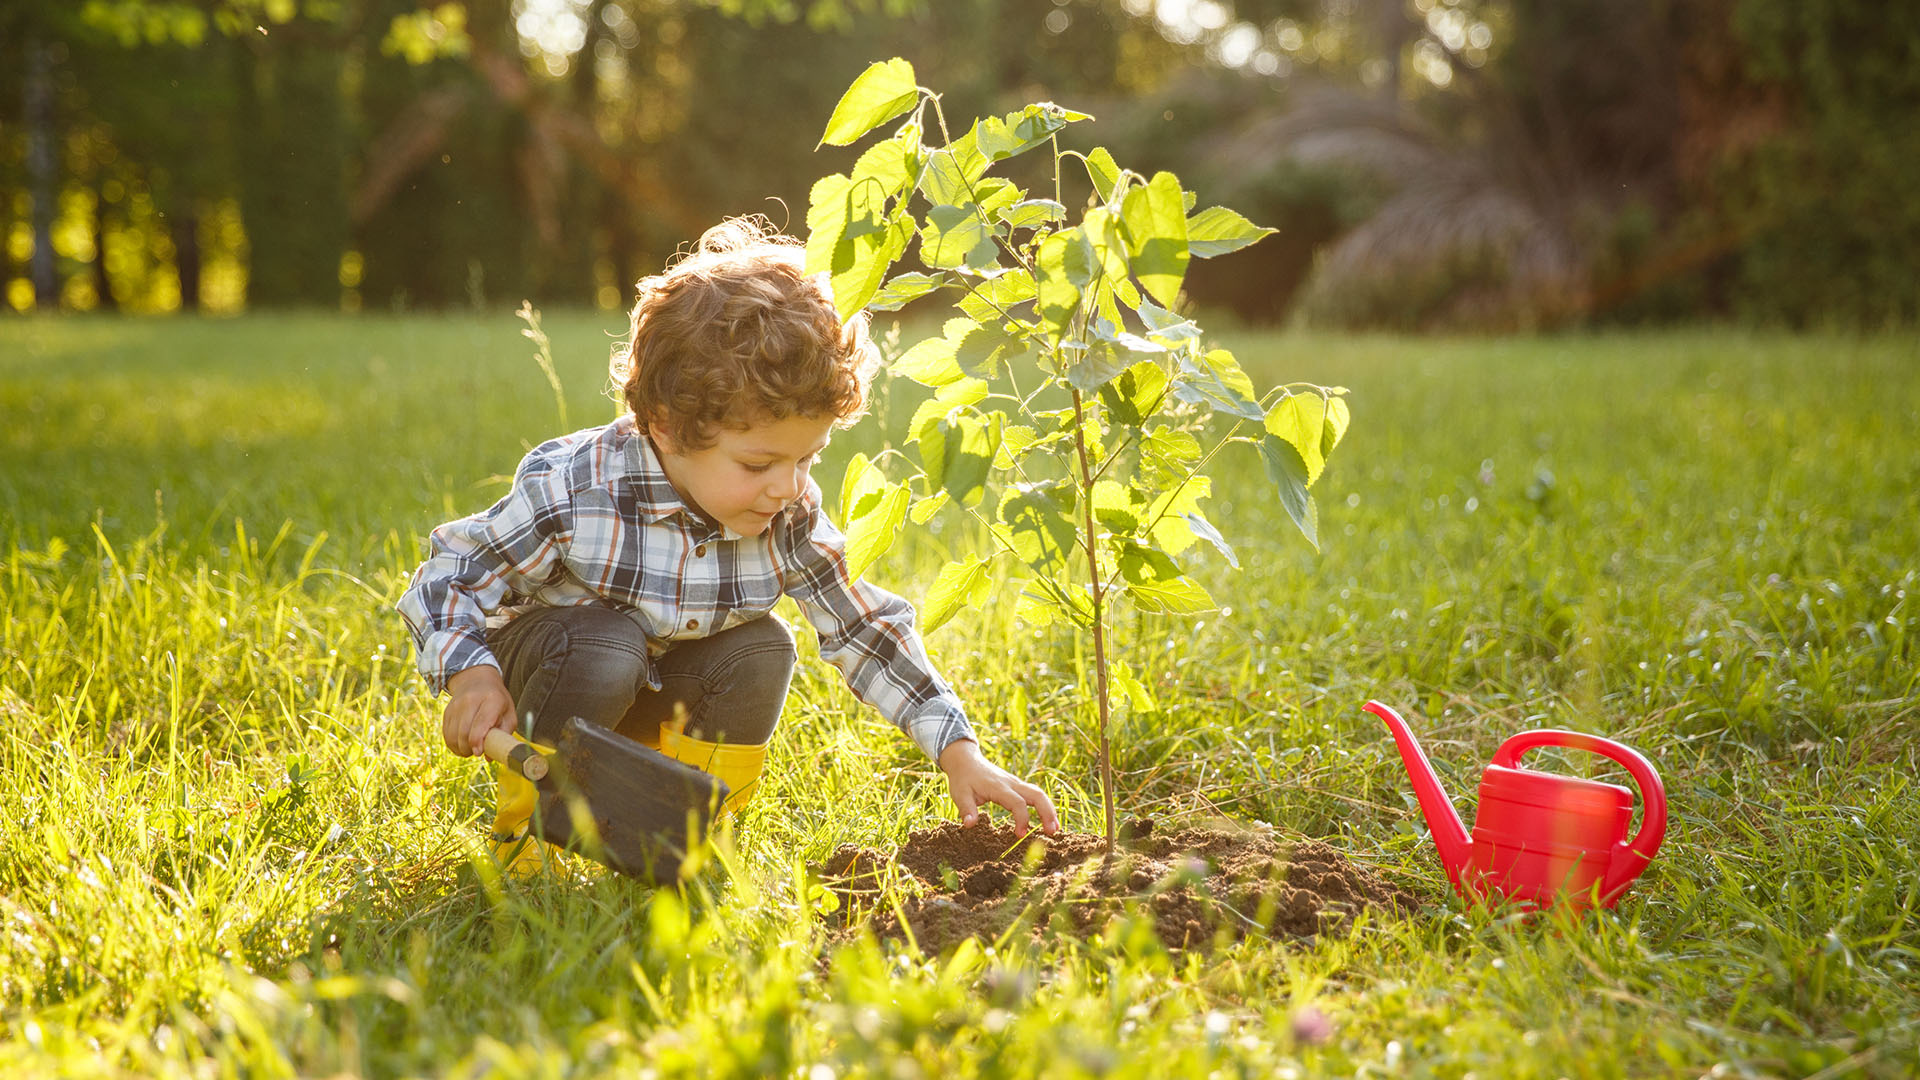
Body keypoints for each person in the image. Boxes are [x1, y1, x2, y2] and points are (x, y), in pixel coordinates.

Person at [397, 217, 1058, 877]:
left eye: (808, 458)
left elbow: (864, 628)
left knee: (761, 647)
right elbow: (450, 573)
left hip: (658, 691)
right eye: (758, 464)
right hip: (561, 675)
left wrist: (959, 751)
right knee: (607, 645)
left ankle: (681, 838)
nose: (787, 487)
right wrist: (472, 676)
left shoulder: (788, 515)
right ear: (666, 426)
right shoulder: (578, 491)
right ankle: (536, 844)